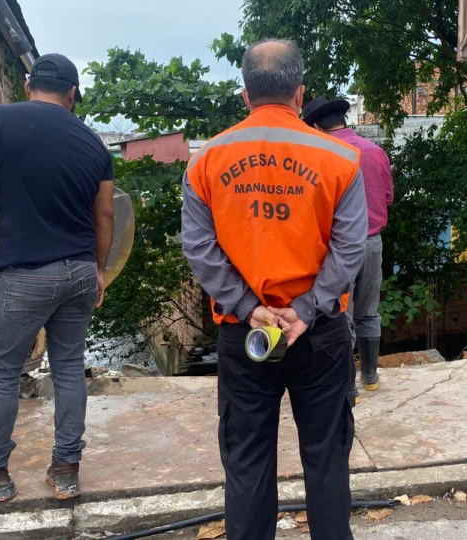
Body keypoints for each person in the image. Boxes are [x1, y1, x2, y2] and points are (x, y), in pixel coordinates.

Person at [181, 39, 366, 540]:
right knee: (327, 458)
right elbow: (351, 250)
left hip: (246, 336)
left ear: (245, 96)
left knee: (246, 461)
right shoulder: (339, 158)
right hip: (319, 333)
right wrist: (304, 310)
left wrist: (247, 307)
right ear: (300, 93)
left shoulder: (208, 160)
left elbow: (199, 248)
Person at [0, 53, 115, 503]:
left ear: (26, 85)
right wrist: (97, 270)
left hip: (25, 275)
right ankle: (67, 471)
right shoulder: (94, 144)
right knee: (69, 368)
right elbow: (106, 214)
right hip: (78, 272)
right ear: (73, 94)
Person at [303, 96, 393, 400]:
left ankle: (347, 388)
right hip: (372, 243)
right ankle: (370, 377)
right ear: (344, 119)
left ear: (316, 126)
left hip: (337, 248)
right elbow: (388, 197)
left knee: (341, 316)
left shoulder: (322, 156)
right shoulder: (375, 152)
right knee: (369, 312)